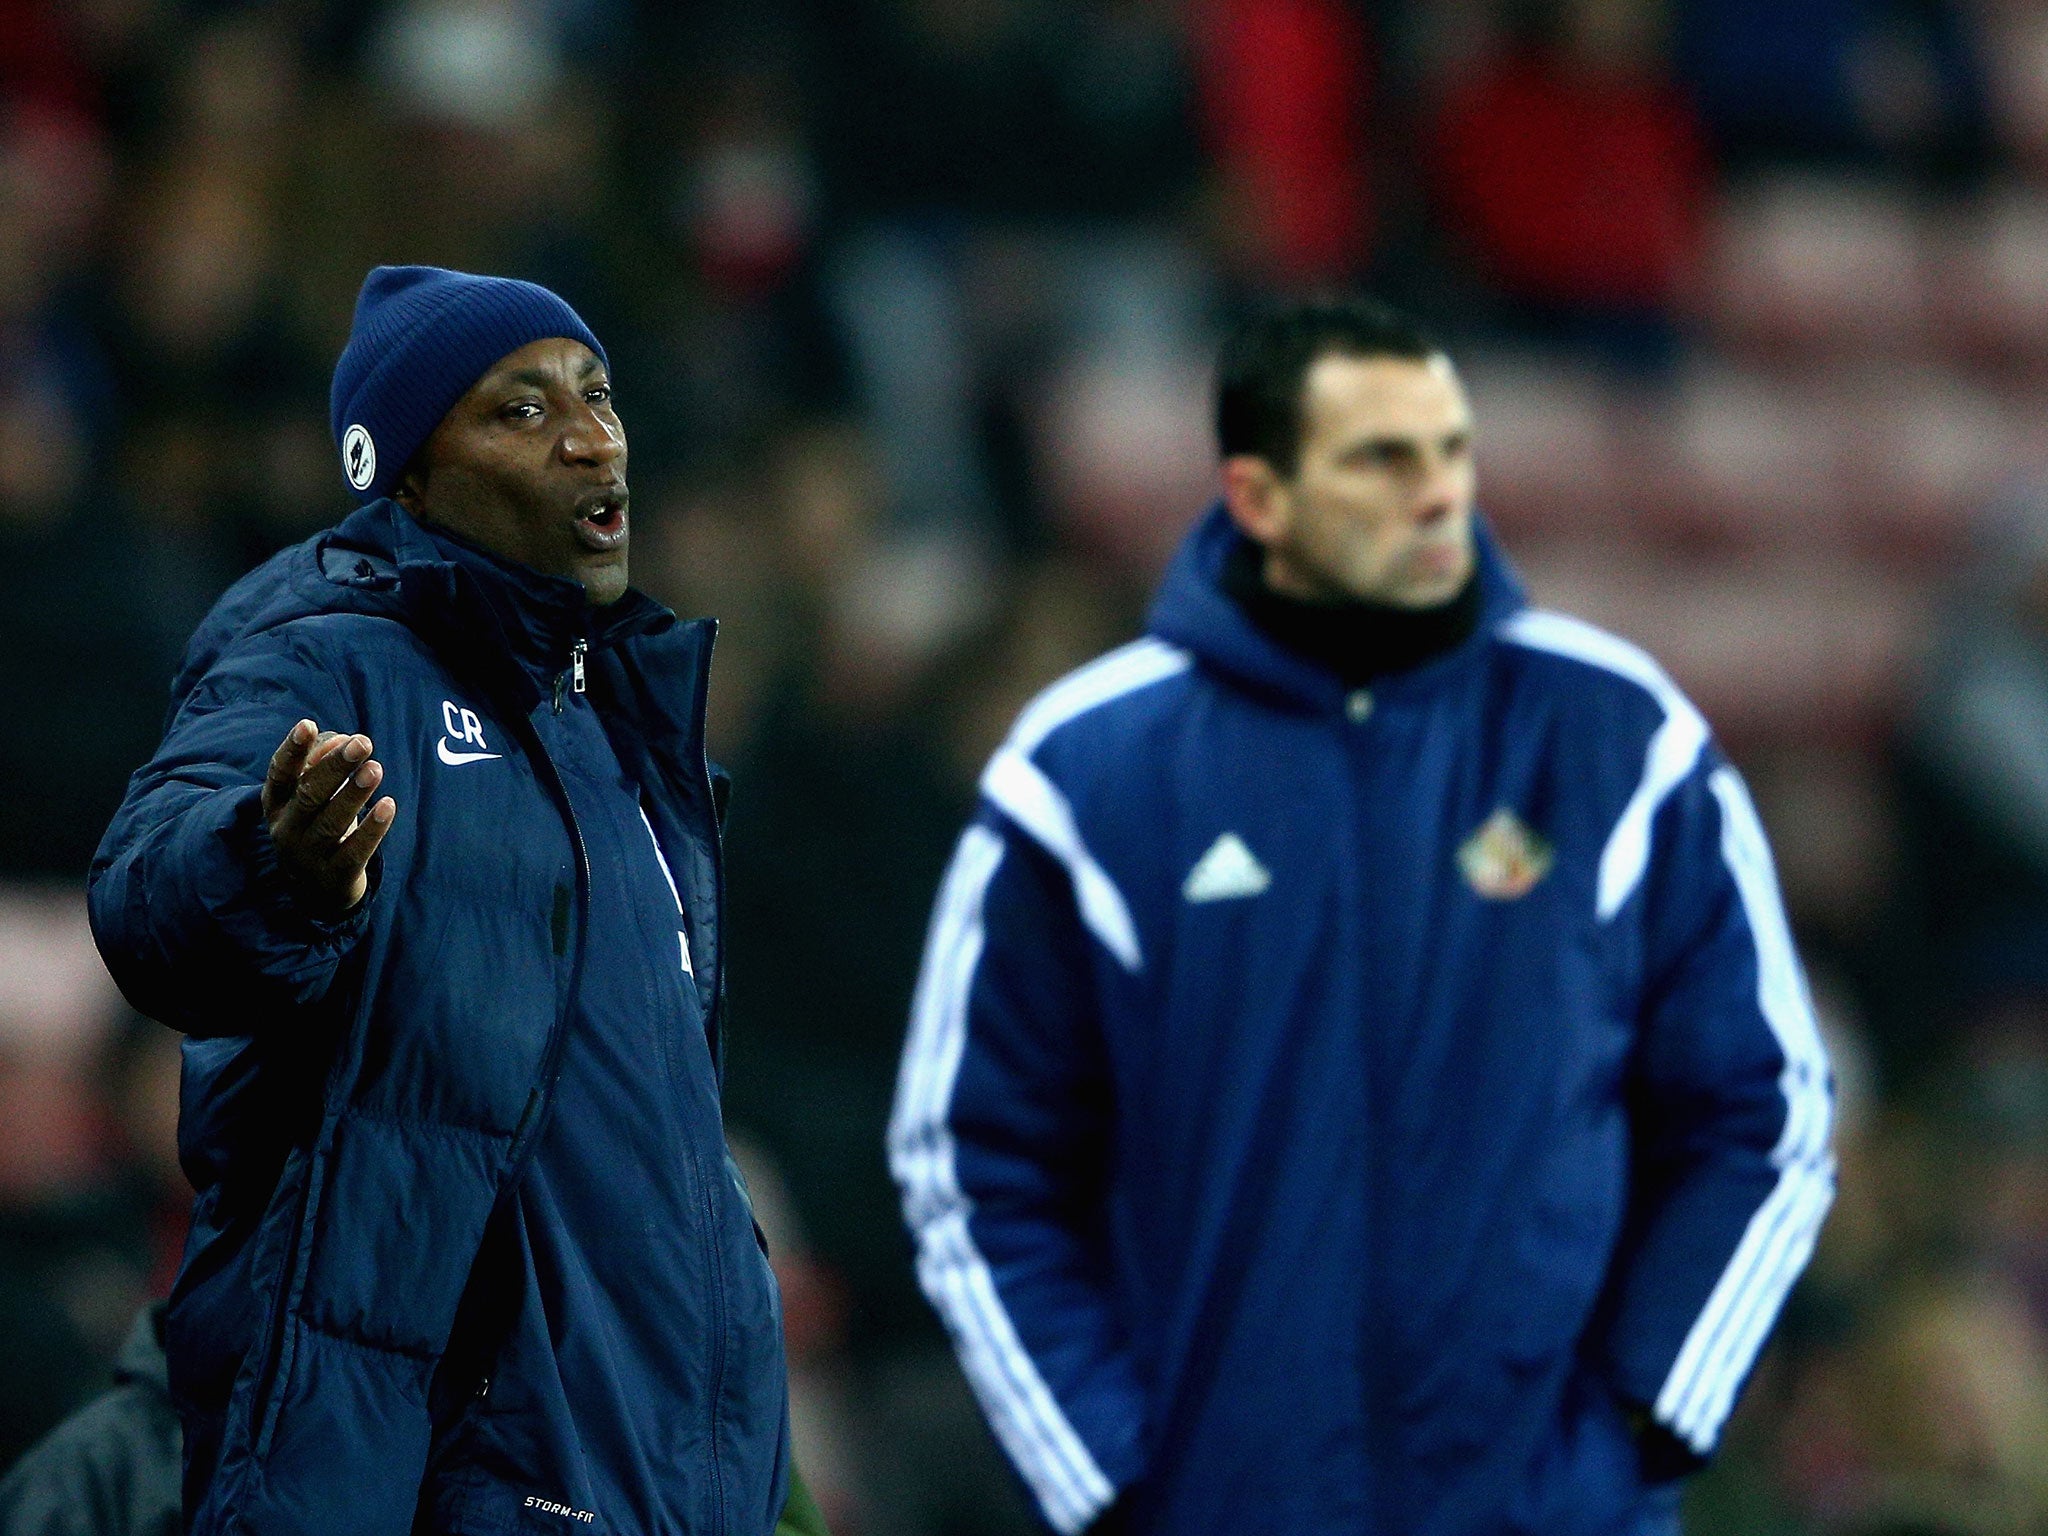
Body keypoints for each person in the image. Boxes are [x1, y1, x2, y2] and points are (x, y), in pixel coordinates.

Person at [888, 297, 1836, 1536]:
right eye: (1380, 459)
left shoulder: (1618, 740)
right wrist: (1109, 1483)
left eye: (1450, 449)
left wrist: (1640, 1429)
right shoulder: (1085, 776)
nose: (1437, 492)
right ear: (1258, 497)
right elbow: (969, 1160)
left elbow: (1761, 1114)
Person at [88, 267, 821, 1536]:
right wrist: (276, 861)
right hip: (452, 1474)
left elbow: (648, 1149)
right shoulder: (321, 654)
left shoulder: (621, 723)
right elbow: (148, 898)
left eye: (596, 396)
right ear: (408, 476)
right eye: (519, 412)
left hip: (661, 1476)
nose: (591, 436)